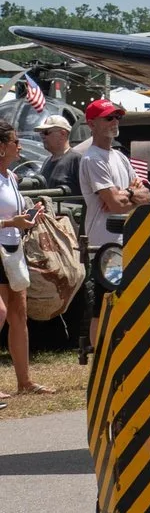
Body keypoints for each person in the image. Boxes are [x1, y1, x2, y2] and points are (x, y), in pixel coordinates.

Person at [0, 127, 58, 406]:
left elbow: (15, 214)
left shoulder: (10, 177)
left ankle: (25, 381)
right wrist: (13, 223)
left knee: (19, 313)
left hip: (13, 250)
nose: (20, 147)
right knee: (0, 312)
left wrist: (30, 214)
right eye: (15, 142)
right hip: (0, 249)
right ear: (1, 146)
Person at [77, 100, 147, 254]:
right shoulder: (93, 158)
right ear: (92, 124)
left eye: (117, 117)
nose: (115, 121)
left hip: (127, 242)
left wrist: (127, 193)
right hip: (104, 246)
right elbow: (115, 205)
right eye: (109, 118)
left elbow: (147, 196)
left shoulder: (120, 156)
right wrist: (131, 196)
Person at [34, 115, 80, 190]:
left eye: (46, 132)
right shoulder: (47, 161)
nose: (43, 137)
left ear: (63, 134)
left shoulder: (76, 160)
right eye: (41, 133)